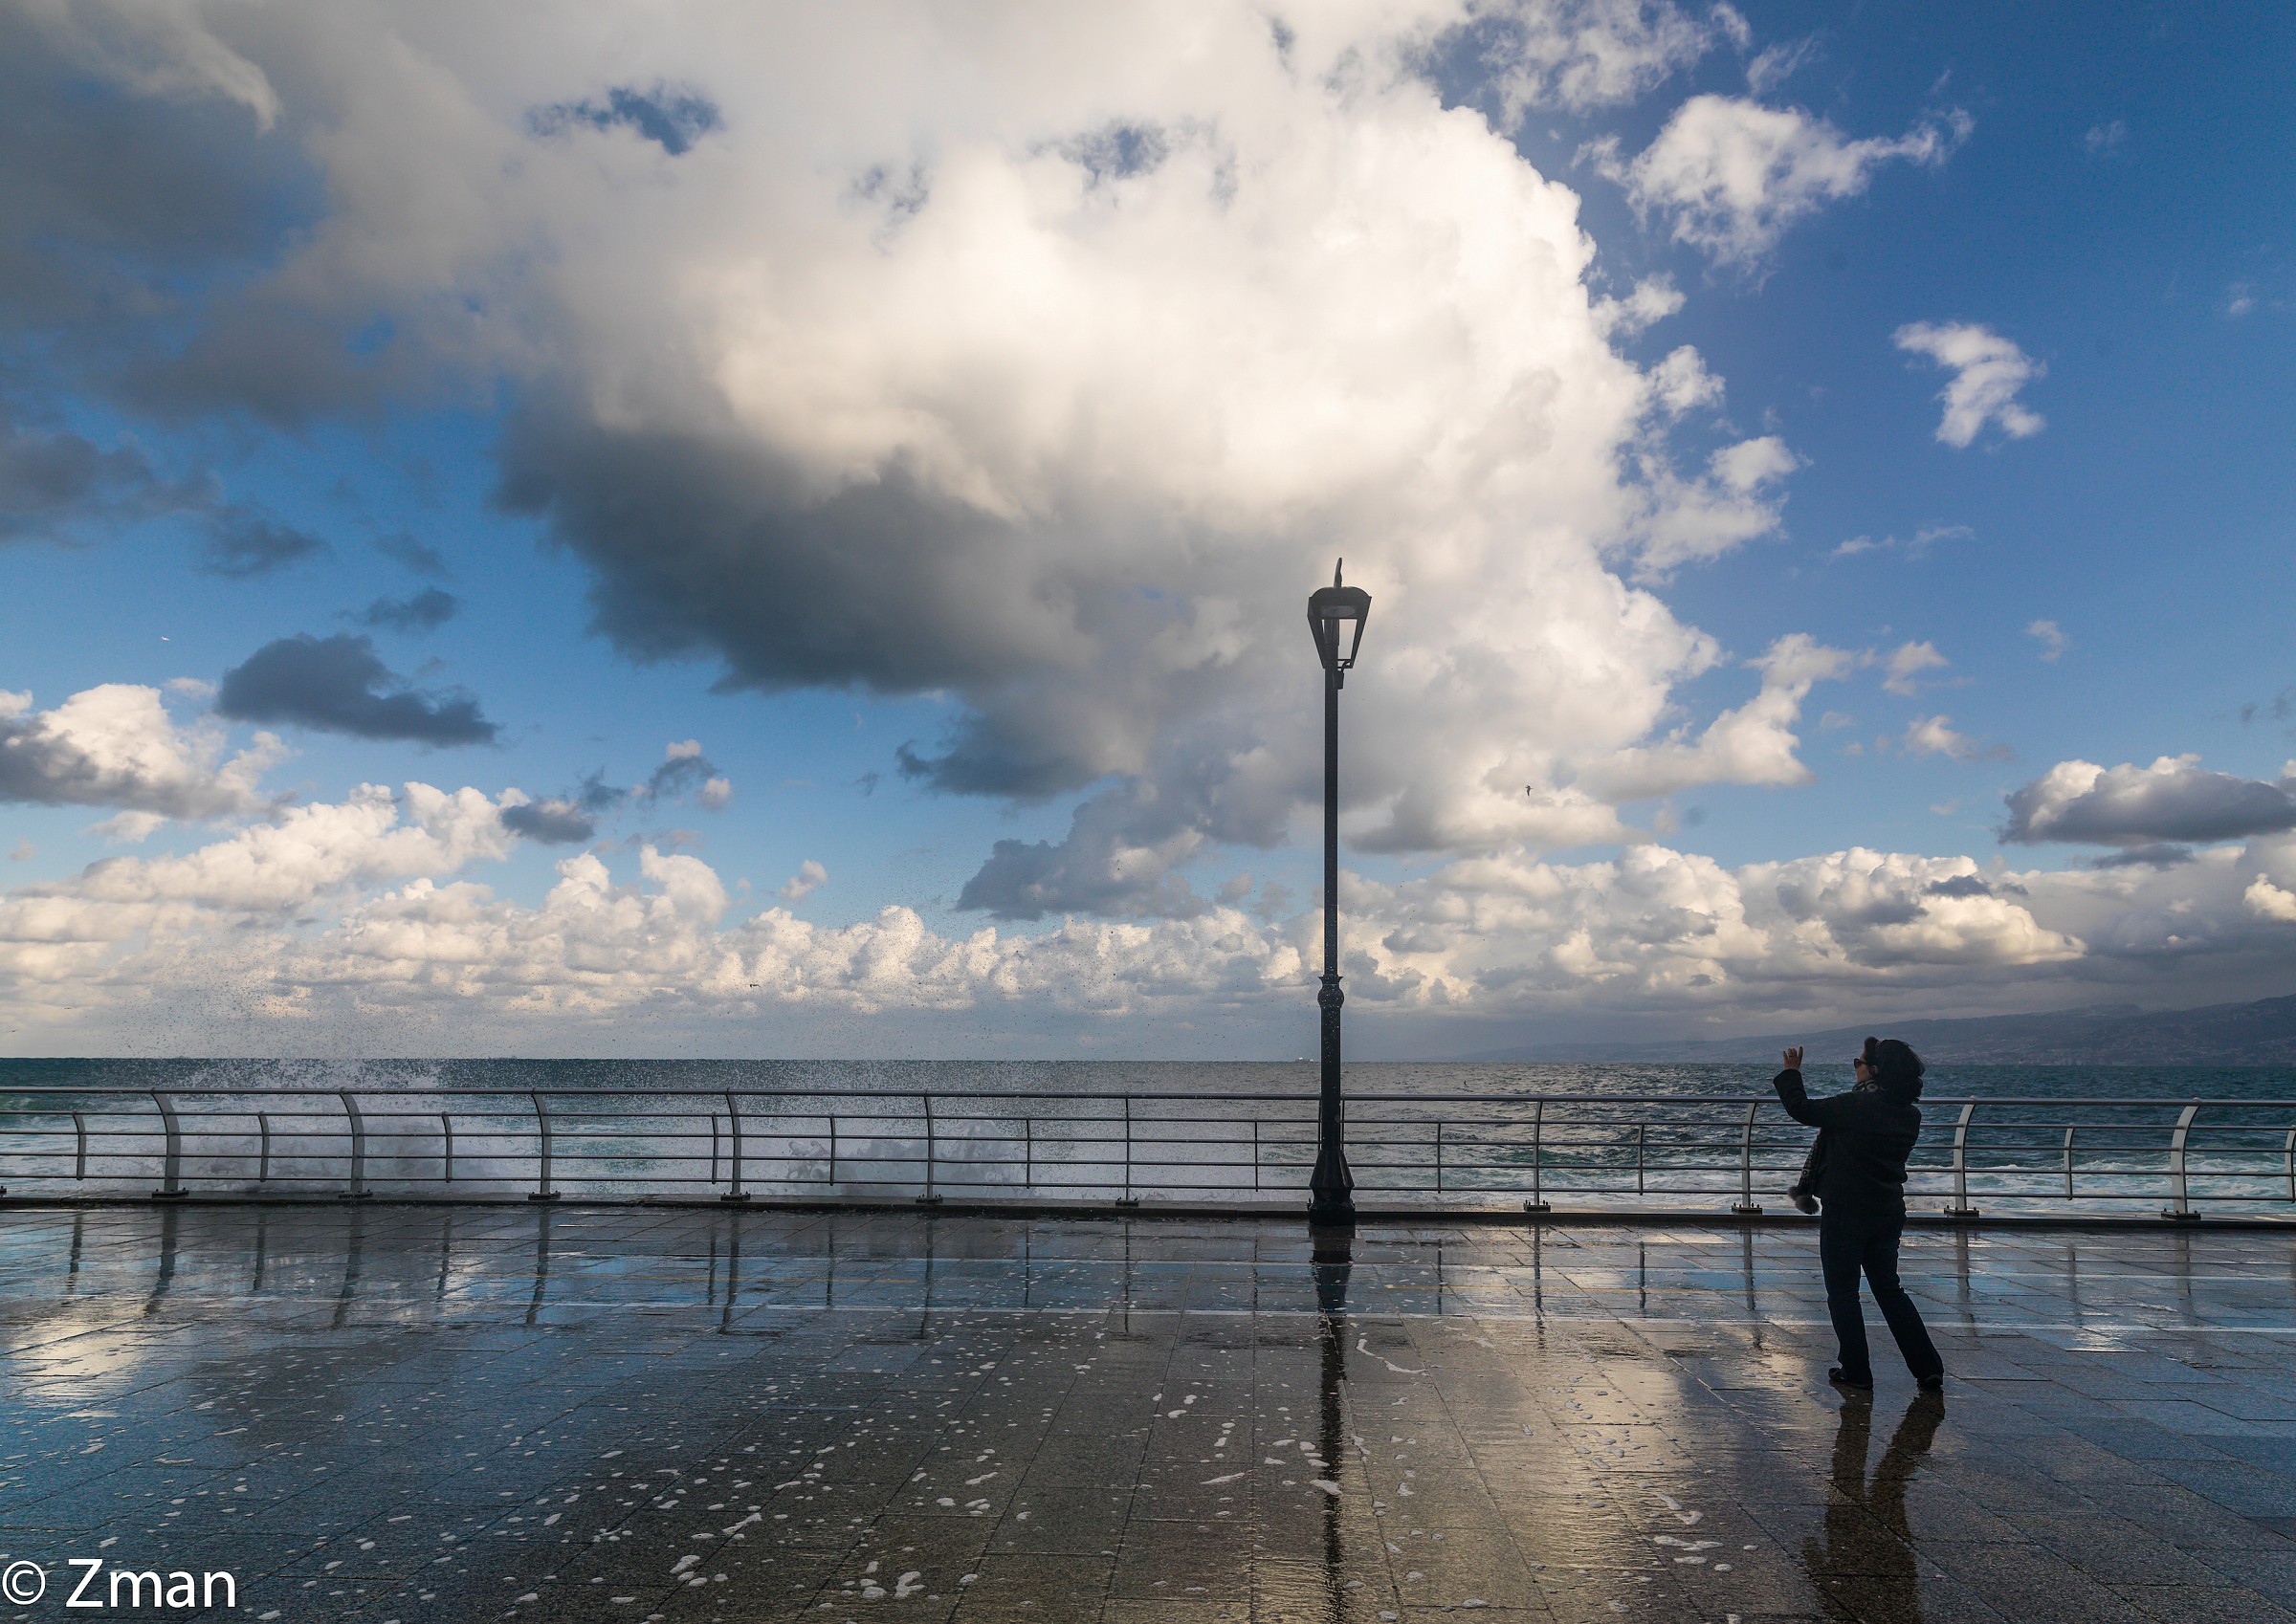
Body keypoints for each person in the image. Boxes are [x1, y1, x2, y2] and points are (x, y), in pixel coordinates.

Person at [1774, 1038, 1946, 1392]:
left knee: (1843, 1293)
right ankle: (1928, 1367)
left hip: (1846, 1211)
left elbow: (1801, 1109)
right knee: (1889, 1289)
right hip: (1887, 1210)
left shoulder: (1855, 1106)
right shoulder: (1909, 1113)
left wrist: (1791, 1074)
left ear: (1874, 1070)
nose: (1855, 1065)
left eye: (1859, 1061)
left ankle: (1856, 1369)